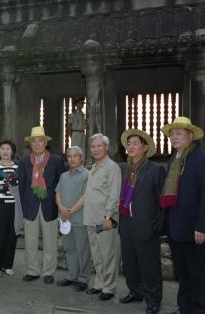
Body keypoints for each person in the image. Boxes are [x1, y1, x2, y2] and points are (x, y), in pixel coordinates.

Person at [160, 117, 205, 314]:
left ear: (190, 136)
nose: (173, 137)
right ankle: (184, 307)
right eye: (171, 134)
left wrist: (202, 227)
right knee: (183, 273)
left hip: (195, 229)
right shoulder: (173, 161)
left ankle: (201, 309)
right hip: (176, 227)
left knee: (199, 273)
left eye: (178, 133)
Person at [118, 129, 166, 314]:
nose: (131, 146)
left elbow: (161, 201)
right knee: (129, 263)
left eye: (135, 143)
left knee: (149, 265)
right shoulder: (124, 169)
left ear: (145, 148)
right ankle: (135, 291)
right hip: (126, 222)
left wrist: (157, 225)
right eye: (129, 144)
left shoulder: (155, 169)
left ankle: (153, 299)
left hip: (146, 223)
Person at [18, 126, 66, 284]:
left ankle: (48, 271)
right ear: (30, 144)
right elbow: (22, 186)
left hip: (49, 206)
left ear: (46, 143)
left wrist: (60, 206)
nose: (38, 144)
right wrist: (24, 206)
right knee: (30, 241)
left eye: (41, 141)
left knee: (50, 241)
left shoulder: (57, 161)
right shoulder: (24, 162)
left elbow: (61, 185)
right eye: (34, 142)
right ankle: (32, 270)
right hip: (30, 207)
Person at [84, 133, 121, 301]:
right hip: (91, 218)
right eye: (93, 146)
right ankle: (99, 283)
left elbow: (114, 194)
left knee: (108, 254)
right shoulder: (93, 168)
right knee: (97, 254)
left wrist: (109, 216)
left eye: (99, 146)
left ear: (106, 147)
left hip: (105, 219)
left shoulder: (111, 167)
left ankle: (109, 287)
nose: (96, 149)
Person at [55, 146, 91, 292]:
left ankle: (83, 278)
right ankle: (71, 275)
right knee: (70, 249)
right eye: (69, 156)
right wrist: (62, 208)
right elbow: (58, 193)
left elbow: (86, 196)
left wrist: (71, 210)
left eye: (75, 156)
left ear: (81, 158)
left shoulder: (87, 175)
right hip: (65, 218)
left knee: (83, 249)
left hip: (80, 218)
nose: (72, 159)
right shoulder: (64, 176)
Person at [0, 140, 22, 278]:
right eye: (2, 148)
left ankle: (8, 265)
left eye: (8, 148)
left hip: (15, 206)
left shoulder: (18, 167)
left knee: (12, 235)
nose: (5, 151)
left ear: (12, 151)